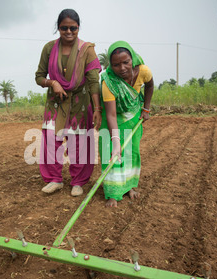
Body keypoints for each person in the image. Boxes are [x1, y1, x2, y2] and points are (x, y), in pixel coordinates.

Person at [35, 9, 102, 197]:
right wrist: (52, 82)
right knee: (51, 140)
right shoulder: (49, 48)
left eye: (73, 28)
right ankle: (54, 180)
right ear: (58, 28)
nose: (69, 31)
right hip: (55, 102)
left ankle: (78, 182)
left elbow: (93, 80)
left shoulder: (86, 49)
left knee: (79, 142)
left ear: (78, 28)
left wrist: (97, 108)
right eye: (64, 27)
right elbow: (39, 76)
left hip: (80, 102)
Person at [98, 41, 154, 207]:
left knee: (131, 151)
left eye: (126, 62)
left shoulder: (143, 70)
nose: (122, 68)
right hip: (114, 118)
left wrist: (147, 109)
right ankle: (113, 193)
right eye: (116, 65)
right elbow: (111, 114)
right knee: (111, 152)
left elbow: (150, 85)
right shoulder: (108, 82)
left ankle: (129, 186)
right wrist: (115, 141)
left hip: (134, 114)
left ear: (132, 59)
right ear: (110, 65)